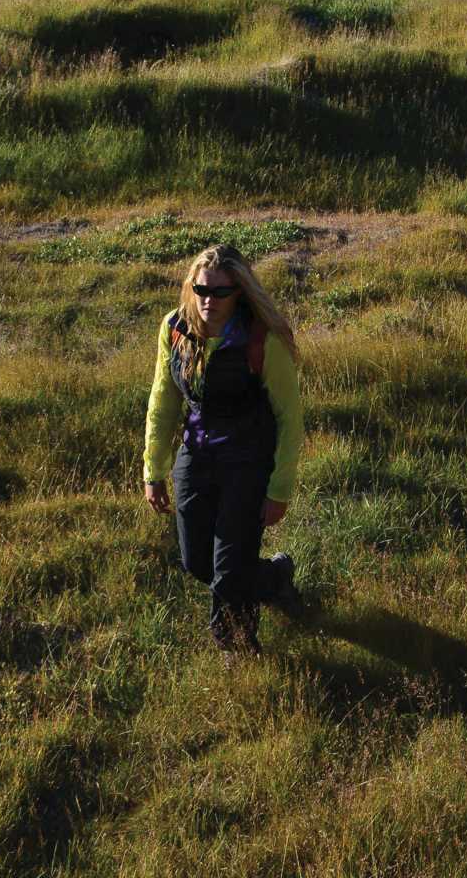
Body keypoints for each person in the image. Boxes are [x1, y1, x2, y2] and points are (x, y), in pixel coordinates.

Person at [142, 244, 304, 653]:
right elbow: (163, 400)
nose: (207, 301)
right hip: (196, 456)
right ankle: (273, 579)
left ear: (240, 293)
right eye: (200, 290)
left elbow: (290, 419)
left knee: (229, 570)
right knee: (197, 562)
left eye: (219, 293)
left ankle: (237, 648)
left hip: (247, 461)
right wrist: (154, 471)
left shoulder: (262, 338)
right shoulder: (175, 328)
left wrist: (279, 489)